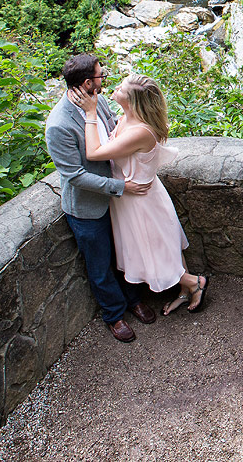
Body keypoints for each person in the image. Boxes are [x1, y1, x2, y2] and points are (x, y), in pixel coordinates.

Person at [68, 74, 209, 316]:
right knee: (163, 247)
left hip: (141, 202)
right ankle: (185, 292)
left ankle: (195, 283)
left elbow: (94, 153)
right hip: (130, 198)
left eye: (121, 87)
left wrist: (90, 113)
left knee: (155, 252)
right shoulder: (126, 118)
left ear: (132, 101)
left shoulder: (140, 132)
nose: (115, 86)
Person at [44, 54, 159, 343]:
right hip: (87, 207)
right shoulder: (58, 124)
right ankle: (114, 314)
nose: (104, 79)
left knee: (124, 250)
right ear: (87, 83)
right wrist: (121, 187)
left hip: (116, 200)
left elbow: (114, 133)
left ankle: (134, 298)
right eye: (100, 76)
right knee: (99, 264)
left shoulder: (100, 101)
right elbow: (75, 176)